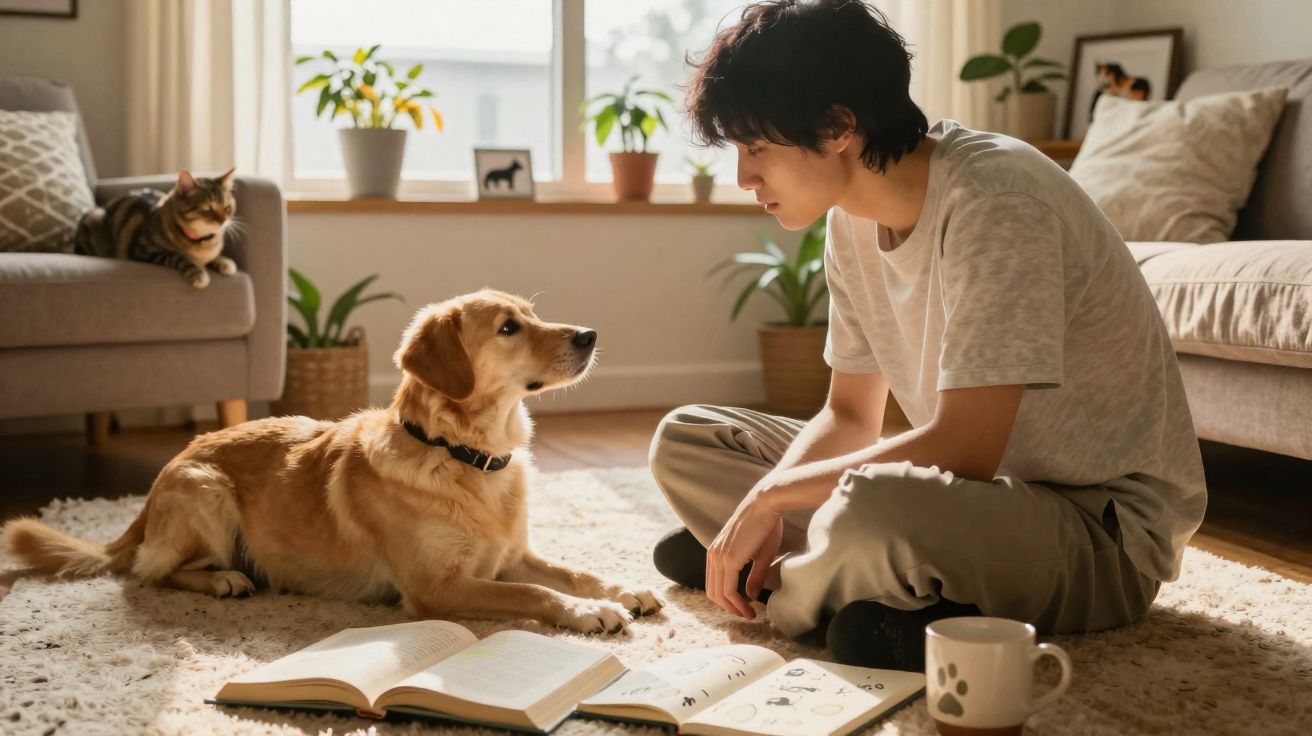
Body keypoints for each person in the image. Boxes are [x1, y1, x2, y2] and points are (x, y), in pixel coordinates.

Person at [648, 0, 1206, 670]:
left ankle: (782, 584)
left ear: (838, 128)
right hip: (967, 503)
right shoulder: (848, 219)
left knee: (873, 508)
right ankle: (842, 579)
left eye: (757, 147)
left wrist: (769, 498)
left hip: (1097, 533)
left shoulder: (996, 202)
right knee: (688, 439)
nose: (744, 177)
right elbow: (850, 415)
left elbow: (967, 446)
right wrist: (773, 500)